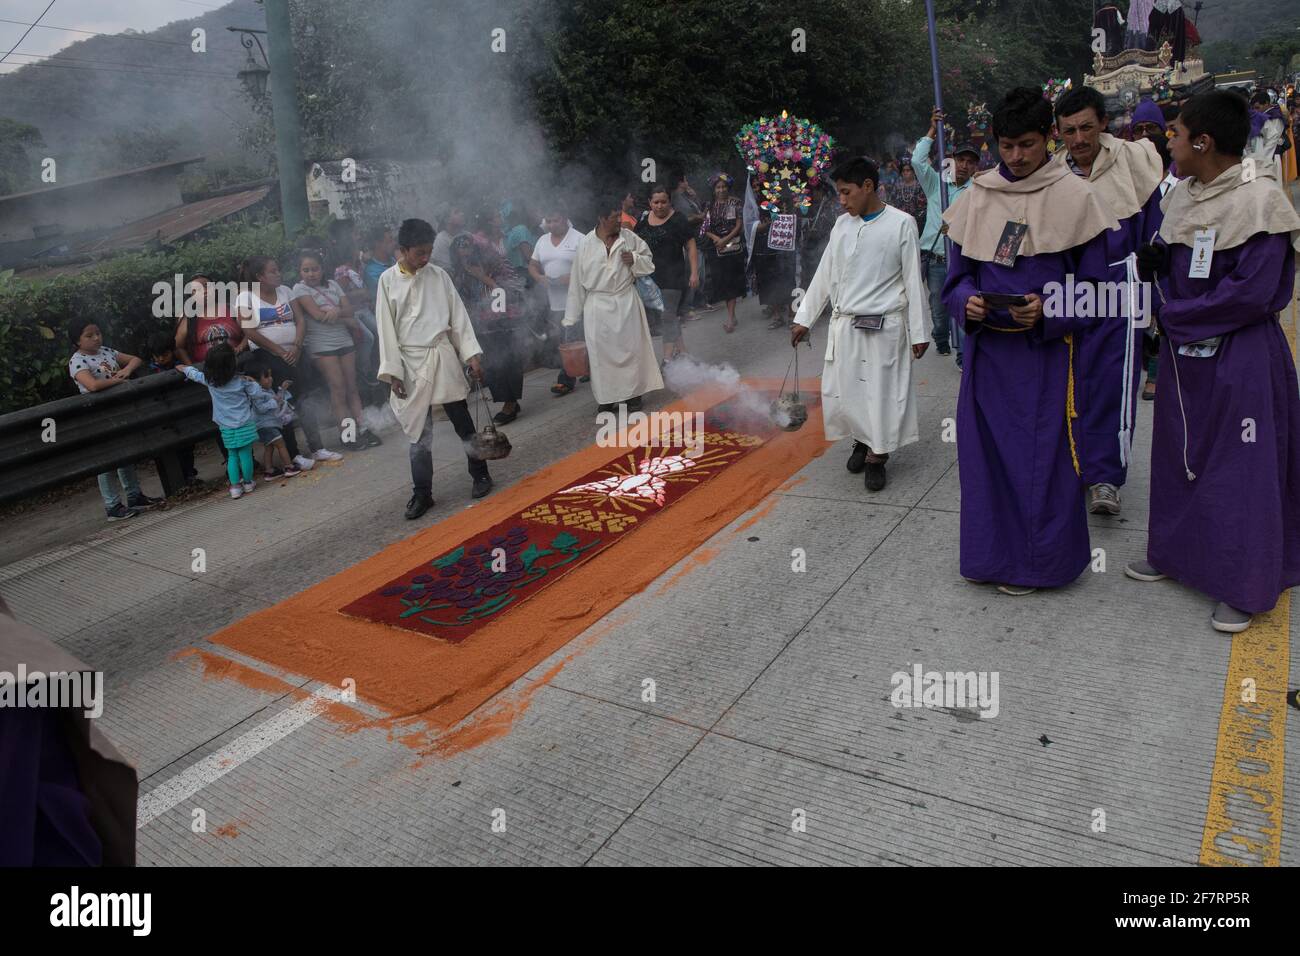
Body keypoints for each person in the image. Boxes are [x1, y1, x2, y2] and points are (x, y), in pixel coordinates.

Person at [1126, 91, 1300, 634]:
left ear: (1202, 142)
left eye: (1174, 133)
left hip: (1240, 354)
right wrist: (1159, 266)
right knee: (1180, 454)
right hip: (1185, 356)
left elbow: (1256, 292)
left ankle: (1244, 584)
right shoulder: (1182, 195)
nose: (1167, 142)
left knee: (1241, 470)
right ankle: (1175, 554)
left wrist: (1178, 315)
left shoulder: (1260, 200)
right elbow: (1178, 264)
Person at [941, 87, 1117, 596]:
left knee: (1040, 462)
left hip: (1044, 358)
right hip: (986, 355)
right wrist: (966, 302)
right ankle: (989, 557)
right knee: (985, 460)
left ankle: (1038, 566)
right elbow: (955, 280)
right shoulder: (976, 196)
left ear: (1050, 140)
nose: (1016, 157)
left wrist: (1050, 308)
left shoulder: (1076, 198)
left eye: (1028, 145)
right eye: (1007, 146)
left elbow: (1098, 292)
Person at [1055, 85, 1165, 517]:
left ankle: (1105, 477)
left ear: (1103, 122)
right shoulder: (1052, 175)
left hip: (1120, 289)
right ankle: (1070, 466)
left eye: (1086, 127)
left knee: (1113, 386)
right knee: (1067, 385)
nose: (1079, 139)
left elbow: (1157, 227)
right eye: (1069, 131)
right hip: (1066, 293)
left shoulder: (1134, 161)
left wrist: (1152, 276)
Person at [791, 157, 931, 493]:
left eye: (846, 192)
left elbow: (913, 278)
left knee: (880, 392)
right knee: (850, 390)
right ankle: (862, 440)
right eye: (839, 193)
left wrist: (920, 330)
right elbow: (825, 273)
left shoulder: (901, 224)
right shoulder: (841, 225)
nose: (842, 200)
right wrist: (804, 318)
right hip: (847, 325)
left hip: (885, 325)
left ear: (868, 186)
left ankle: (877, 456)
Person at [374, 218, 494, 519]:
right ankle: (422, 493)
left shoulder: (439, 275)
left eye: (428, 251)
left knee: (462, 420)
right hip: (410, 363)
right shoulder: (386, 281)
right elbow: (385, 329)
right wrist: (393, 373)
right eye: (419, 253)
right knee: (419, 433)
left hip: (441, 355)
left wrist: (470, 354)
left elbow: (458, 317)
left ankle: (481, 474)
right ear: (402, 250)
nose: (425, 258)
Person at [234, 255, 341, 470]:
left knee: (305, 400)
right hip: (268, 357)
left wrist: (297, 346)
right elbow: (249, 331)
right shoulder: (245, 298)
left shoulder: (285, 291)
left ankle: (317, 447)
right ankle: (293, 454)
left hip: (295, 353)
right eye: (273, 271)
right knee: (281, 406)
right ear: (260, 276)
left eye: (278, 270)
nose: (278, 274)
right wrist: (279, 351)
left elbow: (299, 319)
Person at [563, 197, 664, 414]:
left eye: (620, 215)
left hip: (626, 300)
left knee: (631, 349)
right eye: (614, 217)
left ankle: (633, 395)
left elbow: (649, 261)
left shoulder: (628, 237)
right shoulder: (586, 244)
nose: (620, 220)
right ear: (601, 219)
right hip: (597, 305)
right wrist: (571, 318)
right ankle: (607, 398)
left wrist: (634, 259)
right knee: (601, 355)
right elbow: (576, 282)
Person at [66, 318, 165, 520]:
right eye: (89, 335)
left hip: (118, 411)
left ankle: (134, 495)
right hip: (98, 415)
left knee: (125, 455)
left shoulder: (107, 351)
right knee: (106, 462)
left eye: (98, 333)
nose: (96, 338)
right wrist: (118, 381)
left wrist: (126, 370)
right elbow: (92, 385)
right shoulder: (77, 361)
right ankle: (112, 505)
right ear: (77, 341)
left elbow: (135, 359)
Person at [291, 249, 381, 451]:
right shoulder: (299, 289)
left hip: (344, 340)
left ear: (322, 270)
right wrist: (344, 317)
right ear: (300, 272)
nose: (311, 274)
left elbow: (350, 308)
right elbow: (317, 315)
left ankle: (364, 429)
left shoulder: (332, 285)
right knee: (338, 389)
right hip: (322, 346)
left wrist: (338, 312)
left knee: (352, 387)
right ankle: (348, 434)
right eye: (306, 270)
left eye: (315, 269)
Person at [913, 109, 979, 366]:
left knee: (962, 306)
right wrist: (932, 130)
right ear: (952, 160)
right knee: (939, 310)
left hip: (962, 257)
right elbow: (918, 161)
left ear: (976, 166)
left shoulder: (978, 189)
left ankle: (963, 356)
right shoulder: (935, 183)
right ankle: (941, 339)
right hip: (936, 259)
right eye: (960, 159)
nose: (964, 165)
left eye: (970, 162)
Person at [451, 232, 526, 424]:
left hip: (505, 320)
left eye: (468, 252)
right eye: (461, 254)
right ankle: (507, 401)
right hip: (482, 324)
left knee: (509, 361)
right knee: (493, 365)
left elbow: (510, 290)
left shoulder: (498, 264)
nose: (465, 257)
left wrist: (481, 276)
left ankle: (510, 404)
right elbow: (461, 298)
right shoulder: (460, 271)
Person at [177, 343, 266, 500]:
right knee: (245, 453)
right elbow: (257, 394)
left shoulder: (210, 381)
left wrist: (184, 369)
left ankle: (235, 487)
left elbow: (195, 374)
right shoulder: (242, 381)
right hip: (245, 423)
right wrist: (252, 381)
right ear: (232, 364)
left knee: (231, 455)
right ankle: (248, 482)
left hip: (225, 426)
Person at [635, 184, 699, 365]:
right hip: (650, 279)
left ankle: (667, 358)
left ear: (669, 202)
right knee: (668, 317)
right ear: (650, 203)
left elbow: (691, 246)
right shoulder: (643, 222)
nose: (660, 206)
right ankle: (684, 353)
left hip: (674, 276)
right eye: (656, 202)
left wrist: (694, 273)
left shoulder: (678, 219)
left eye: (663, 201)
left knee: (667, 315)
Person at [529, 209, 584, 396]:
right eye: (549, 221)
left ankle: (566, 379)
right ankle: (585, 368)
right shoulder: (542, 241)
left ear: (565, 219)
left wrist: (572, 276)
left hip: (578, 299)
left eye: (556, 221)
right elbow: (533, 264)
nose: (552, 225)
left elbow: (590, 266)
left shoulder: (579, 239)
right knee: (568, 338)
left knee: (570, 339)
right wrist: (539, 277)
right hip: (555, 301)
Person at [242, 354, 302, 481]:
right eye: (266, 376)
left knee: (269, 447)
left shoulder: (267, 391)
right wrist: (274, 402)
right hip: (265, 425)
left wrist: (283, 389)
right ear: (256, 381)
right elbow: (262, 408)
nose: (270, 379)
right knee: (281, 444)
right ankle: (289, 466)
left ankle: (269, 471)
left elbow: (278, 400)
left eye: (270, 375)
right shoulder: (257, 395)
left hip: (268, 425)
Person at [699, 173, 746, 333]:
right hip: (717, 249)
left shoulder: (735, 203)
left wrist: (725, 239)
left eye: (724, 187)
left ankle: (731, 318)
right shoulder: (709, 206)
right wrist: (717, 239)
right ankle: (732, 316)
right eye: (718, 187)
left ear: (728, 188)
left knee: (732, 282)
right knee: (724, 283)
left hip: (733, 249)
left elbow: (739, 224)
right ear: (714, 190)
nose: (721, 190)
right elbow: (704, 229)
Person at [174, 274, 244, 366]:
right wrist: (193, 370)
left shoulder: (231, 309)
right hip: (205, 374)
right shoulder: (188, 317)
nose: (204, 291)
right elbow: (179, 347)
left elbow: (250, 332)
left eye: (206, 286)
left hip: (239, 367)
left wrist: (241, 347)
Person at [753, 201, 798, 330]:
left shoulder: (789, 197)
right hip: (768, 248)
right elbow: (755, 225)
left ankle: (793, 315)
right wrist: (769, 223)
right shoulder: (761, 203)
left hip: (787, 247)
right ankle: (777, 317)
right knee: (772, 283)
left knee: (789, 281)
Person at [671, 171, 708, 316]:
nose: (688, 184)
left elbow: (696, 208)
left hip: (698, 240)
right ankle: (687, 307)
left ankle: (699, 302)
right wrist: (701, 217)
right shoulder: (678, 198)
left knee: (701, 274)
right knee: (693, 274)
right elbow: (687, 218)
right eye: (686, 181)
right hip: (690, 241)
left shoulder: (686, 197)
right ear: (681, 182)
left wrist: (694, 196)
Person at [1246, 90, 1287, 170]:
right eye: (1254, 108)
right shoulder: (1260, 117)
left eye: (1258, 107)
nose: (1256, 111)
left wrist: (1262, 159)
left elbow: (1274, 139)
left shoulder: (1275, 117)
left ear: (1267, 104)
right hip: (1262, 155)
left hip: (1272, 155)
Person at [888, 161, 927, 238]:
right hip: (900, 221)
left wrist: (915, 220)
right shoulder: (897, 185)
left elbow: (923, 206)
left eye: (908, 170)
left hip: (917, 223)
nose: (905, 173)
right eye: (903, 171)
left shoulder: (919, 186)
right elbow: (892, 202)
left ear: (913, 172)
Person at [362, 226, 397, 298]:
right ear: (378, 244)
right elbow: (385, 296)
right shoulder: (371, 271)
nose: (394, 243)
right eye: (390, 241)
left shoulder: (393, 260)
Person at [431, 205, 464, 271]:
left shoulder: (466, 235)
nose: (462, 214)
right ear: (447, 220)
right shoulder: (441, 240)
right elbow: (447, 271)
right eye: (456, 212)